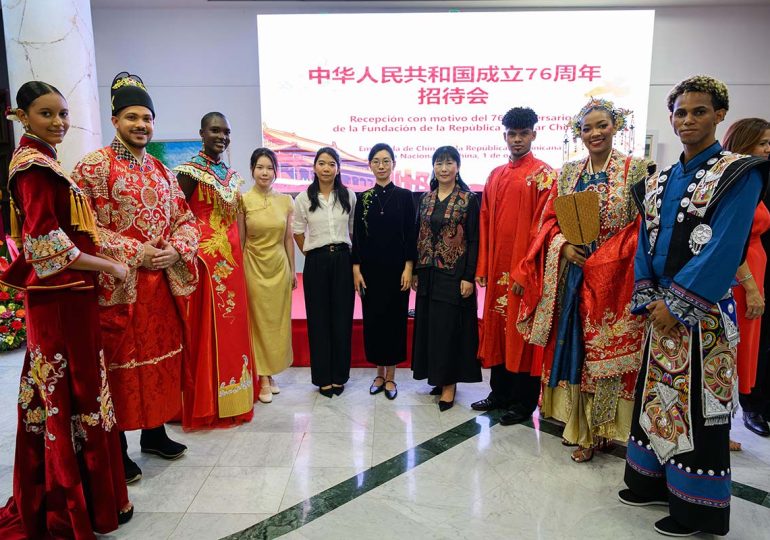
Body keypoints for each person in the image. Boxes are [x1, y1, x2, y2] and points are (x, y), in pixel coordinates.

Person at [619, 76, 769, 537]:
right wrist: (649, 298)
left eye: (698, 111)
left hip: (701, 315)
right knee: (656, 397)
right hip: (660, 308)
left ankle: (694, 509)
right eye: (680, 112)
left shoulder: (738, 173)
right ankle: (650, 482)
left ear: (720, 114)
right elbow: (645, 242)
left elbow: (725, 248)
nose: (687, 120)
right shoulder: (660, 179)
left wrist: (678, 304)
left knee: (700, 410)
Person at [0, 81, 133, 538]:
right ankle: (71, 506)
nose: (58, 122)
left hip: (68, 297)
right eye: (45, 114)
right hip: (59, 300)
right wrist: (111, 265)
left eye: (62, 113)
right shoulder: (34, 168)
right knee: (69, 395)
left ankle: (90, 499)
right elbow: (45, 246)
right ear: (23, 116)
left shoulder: (42, 161)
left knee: (79, 395)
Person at [71, 72, 200, 484]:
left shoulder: (163, 171)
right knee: (121, 368)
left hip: (159, 289)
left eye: (146, 117)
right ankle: (119, 446)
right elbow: (81, 229)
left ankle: (155, 432)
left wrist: (176, 249)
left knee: (160, 364)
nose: (141, 125)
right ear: (114, 120)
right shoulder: (91, 169)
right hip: (118, 288)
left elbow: (186, 219)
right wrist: (135, 251)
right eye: (132, 117)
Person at [518, 98, 654, 462]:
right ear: (578, 133)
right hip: (576, 276)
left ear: (616, 127)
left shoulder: (637, 170)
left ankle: (602, 429)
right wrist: (563, 247)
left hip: (617, 279)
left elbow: (646, 227)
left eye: (602, 126)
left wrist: (608, 258)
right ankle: (579, 427)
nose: (594, 133)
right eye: (587, 128)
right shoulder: (566, 173)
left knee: (607, 356)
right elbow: (547, 223)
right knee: (576, 350)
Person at [472, 107, 554, 425]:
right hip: (497, 271)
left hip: (524, 273)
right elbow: (485, 223)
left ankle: (523, 401)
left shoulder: (545, 176)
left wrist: (525, 270)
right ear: (504, 136)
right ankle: (499, 393)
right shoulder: (495, 175)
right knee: (497, 331)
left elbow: (545, 228)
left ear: (533, 134)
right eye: (512, 134)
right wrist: (482, 267)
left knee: (521, 334)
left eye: (523, 134)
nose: (517, 140)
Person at [174, 112, 255, 427]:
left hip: (231, 262)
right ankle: (205, 401)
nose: (221, 136)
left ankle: (232, 396)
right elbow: (177, 214)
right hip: (205, 262)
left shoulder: (230, 174)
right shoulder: (189, 172)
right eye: (215, 130)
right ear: (202, 133)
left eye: (226, 131)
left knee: (232, 327)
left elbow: (236, 220)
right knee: (206, 330)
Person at [412, 146, 482, 411]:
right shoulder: (426, 199)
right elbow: (419, 235)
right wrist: (417, 270)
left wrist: (468, 276)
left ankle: (449, 384)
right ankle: (437, 378)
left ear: (458, 167)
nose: (443, 168)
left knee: (449, 330)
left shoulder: (468, 199)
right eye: (439, 163)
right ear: (433, 167)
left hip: (454, 275)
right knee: (431, 328)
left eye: (449, 163)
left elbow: (474, 239)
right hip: (428, 273)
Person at [352, 143, 417, 400]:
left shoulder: (404, 196)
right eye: (376, 161)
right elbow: (357, 237)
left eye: (386, 161)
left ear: (393, 164)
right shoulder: (363, 198)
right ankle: (378, 373)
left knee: (394, 322)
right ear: (370, 165)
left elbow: (410, 236)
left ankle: (391, 376)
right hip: (370, 272)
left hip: (397, 271)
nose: (381, 165)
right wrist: (356, 270)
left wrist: (409, 268)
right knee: (374, 321)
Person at [292, 147, 356, 397]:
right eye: (322, 163)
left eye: (331, 164)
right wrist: (311, 254)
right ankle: (323, 378)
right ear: (315, 167)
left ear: (338, 168)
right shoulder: (303, 198)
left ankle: (339, 375)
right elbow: (297, 231)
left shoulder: (348, 196)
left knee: (342, 318)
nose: (326, 168)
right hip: (316, 263)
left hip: (342, 260)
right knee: (318, 321)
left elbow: (352, 231)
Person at [723, 118, 770, 441]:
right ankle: (719, 427)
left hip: (753, 267)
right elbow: (731, 238)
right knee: (728, 349)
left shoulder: (754, 178)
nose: (767, 149)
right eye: (762, 142)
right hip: (741, 274)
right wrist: (751, 286)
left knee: (744, 350)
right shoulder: (737, 179)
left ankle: (725, 423)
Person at [243, 147, 296, 403]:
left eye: (270, 168)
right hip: (253, 266)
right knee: (259, 322)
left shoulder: (286, 200)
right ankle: (262, 376)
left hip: (278, 267)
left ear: (276, 171)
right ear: (252, 169)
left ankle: (271, 372)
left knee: (276, 323)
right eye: (260, 167)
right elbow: (240, 240)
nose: (265, 172)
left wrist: (292, 270)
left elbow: (288, 239)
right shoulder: (242, 200)